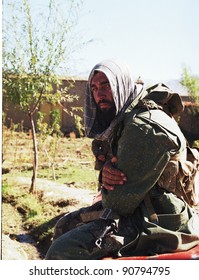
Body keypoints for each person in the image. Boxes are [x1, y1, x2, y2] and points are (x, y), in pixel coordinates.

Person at [45, 59, 199, 260]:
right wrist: (106, 173)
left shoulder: (143, 126)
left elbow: (118, 202)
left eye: (106, 85)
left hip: (161, 222)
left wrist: (108, 180)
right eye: (94, 88)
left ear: (121, 85)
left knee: (62, 250)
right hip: (144, 208)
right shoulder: (129, 116)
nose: (99, 94)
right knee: (64, 225)